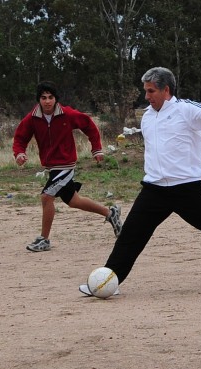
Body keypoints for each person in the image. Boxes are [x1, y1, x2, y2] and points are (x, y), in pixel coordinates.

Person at [78, 66, 201, 296]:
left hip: (187, 188)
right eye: (145, 91)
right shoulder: (148, 117)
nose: (146, 97)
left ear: (165, 89)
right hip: (154, 189)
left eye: (151, 91)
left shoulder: (186, 110)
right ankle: (108, 281)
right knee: (131, 234)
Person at [13, 80, 122, 252]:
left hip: (66, 164)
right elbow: (20, 138)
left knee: (46, 197)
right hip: (52, 166)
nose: (47, 101)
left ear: (56, 99)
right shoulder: (32, 118)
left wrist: (97, 149)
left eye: (50, 97)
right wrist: (19, 153)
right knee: (74, 201)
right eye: (43, 98)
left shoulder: (67, 114)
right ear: (38, 100)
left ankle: (44, 240)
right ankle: (110, 213)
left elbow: (89, 126)